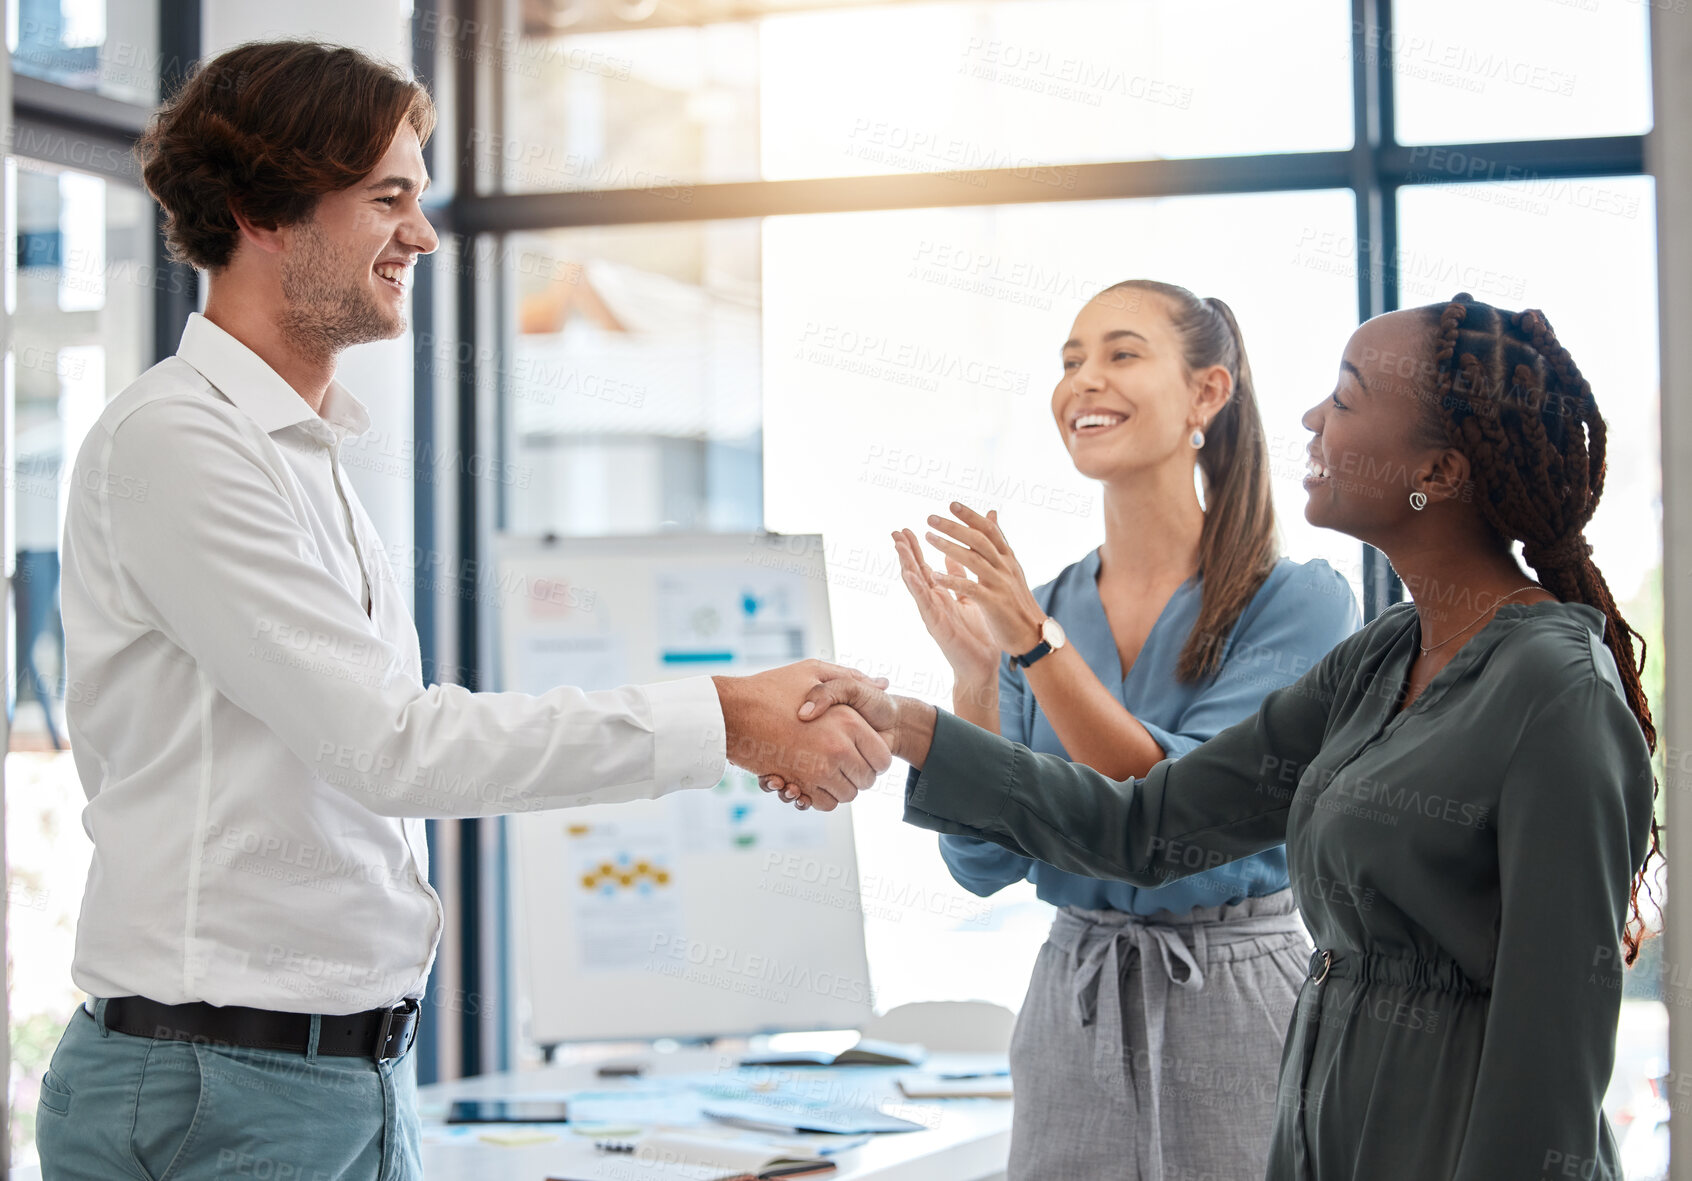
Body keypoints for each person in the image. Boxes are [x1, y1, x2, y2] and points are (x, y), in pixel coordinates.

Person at [34, 41, 882, 1181]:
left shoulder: (303, 452)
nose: (423, 236)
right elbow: (394, 747)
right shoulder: (179, 445)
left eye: (421, 198)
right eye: (387, 197)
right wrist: (725, 716)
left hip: (332, 1079)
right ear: (262, 211)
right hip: (222, 1092)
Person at [779, 293, 1660, 1180]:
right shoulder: (1380, 658)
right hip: (1323, 1131)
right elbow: (1151, 824)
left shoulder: (1554, 691)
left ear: (1440, 465)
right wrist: (915, 725)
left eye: (1347, 398)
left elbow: (1551, 1060)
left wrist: (1031, 647)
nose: (1312, 417)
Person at [889, 280, 1357, 1179]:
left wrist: (1030, 646)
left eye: (1120, 353)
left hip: (1237, 995)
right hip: (1076, 1000)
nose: (1083, 381)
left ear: (1207, 394)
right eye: (1070, 360)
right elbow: (984, 862)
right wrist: (977, 677)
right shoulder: (1049, 606)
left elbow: (1176, 813)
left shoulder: (1298, 601)